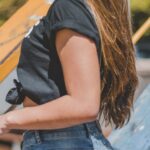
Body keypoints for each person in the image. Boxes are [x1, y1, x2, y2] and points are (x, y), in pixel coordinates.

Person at [0, 0, 139, 149]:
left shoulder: (68, 7)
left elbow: (83, 104)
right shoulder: (75, 8)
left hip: (62, 140)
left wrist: (7, 120)